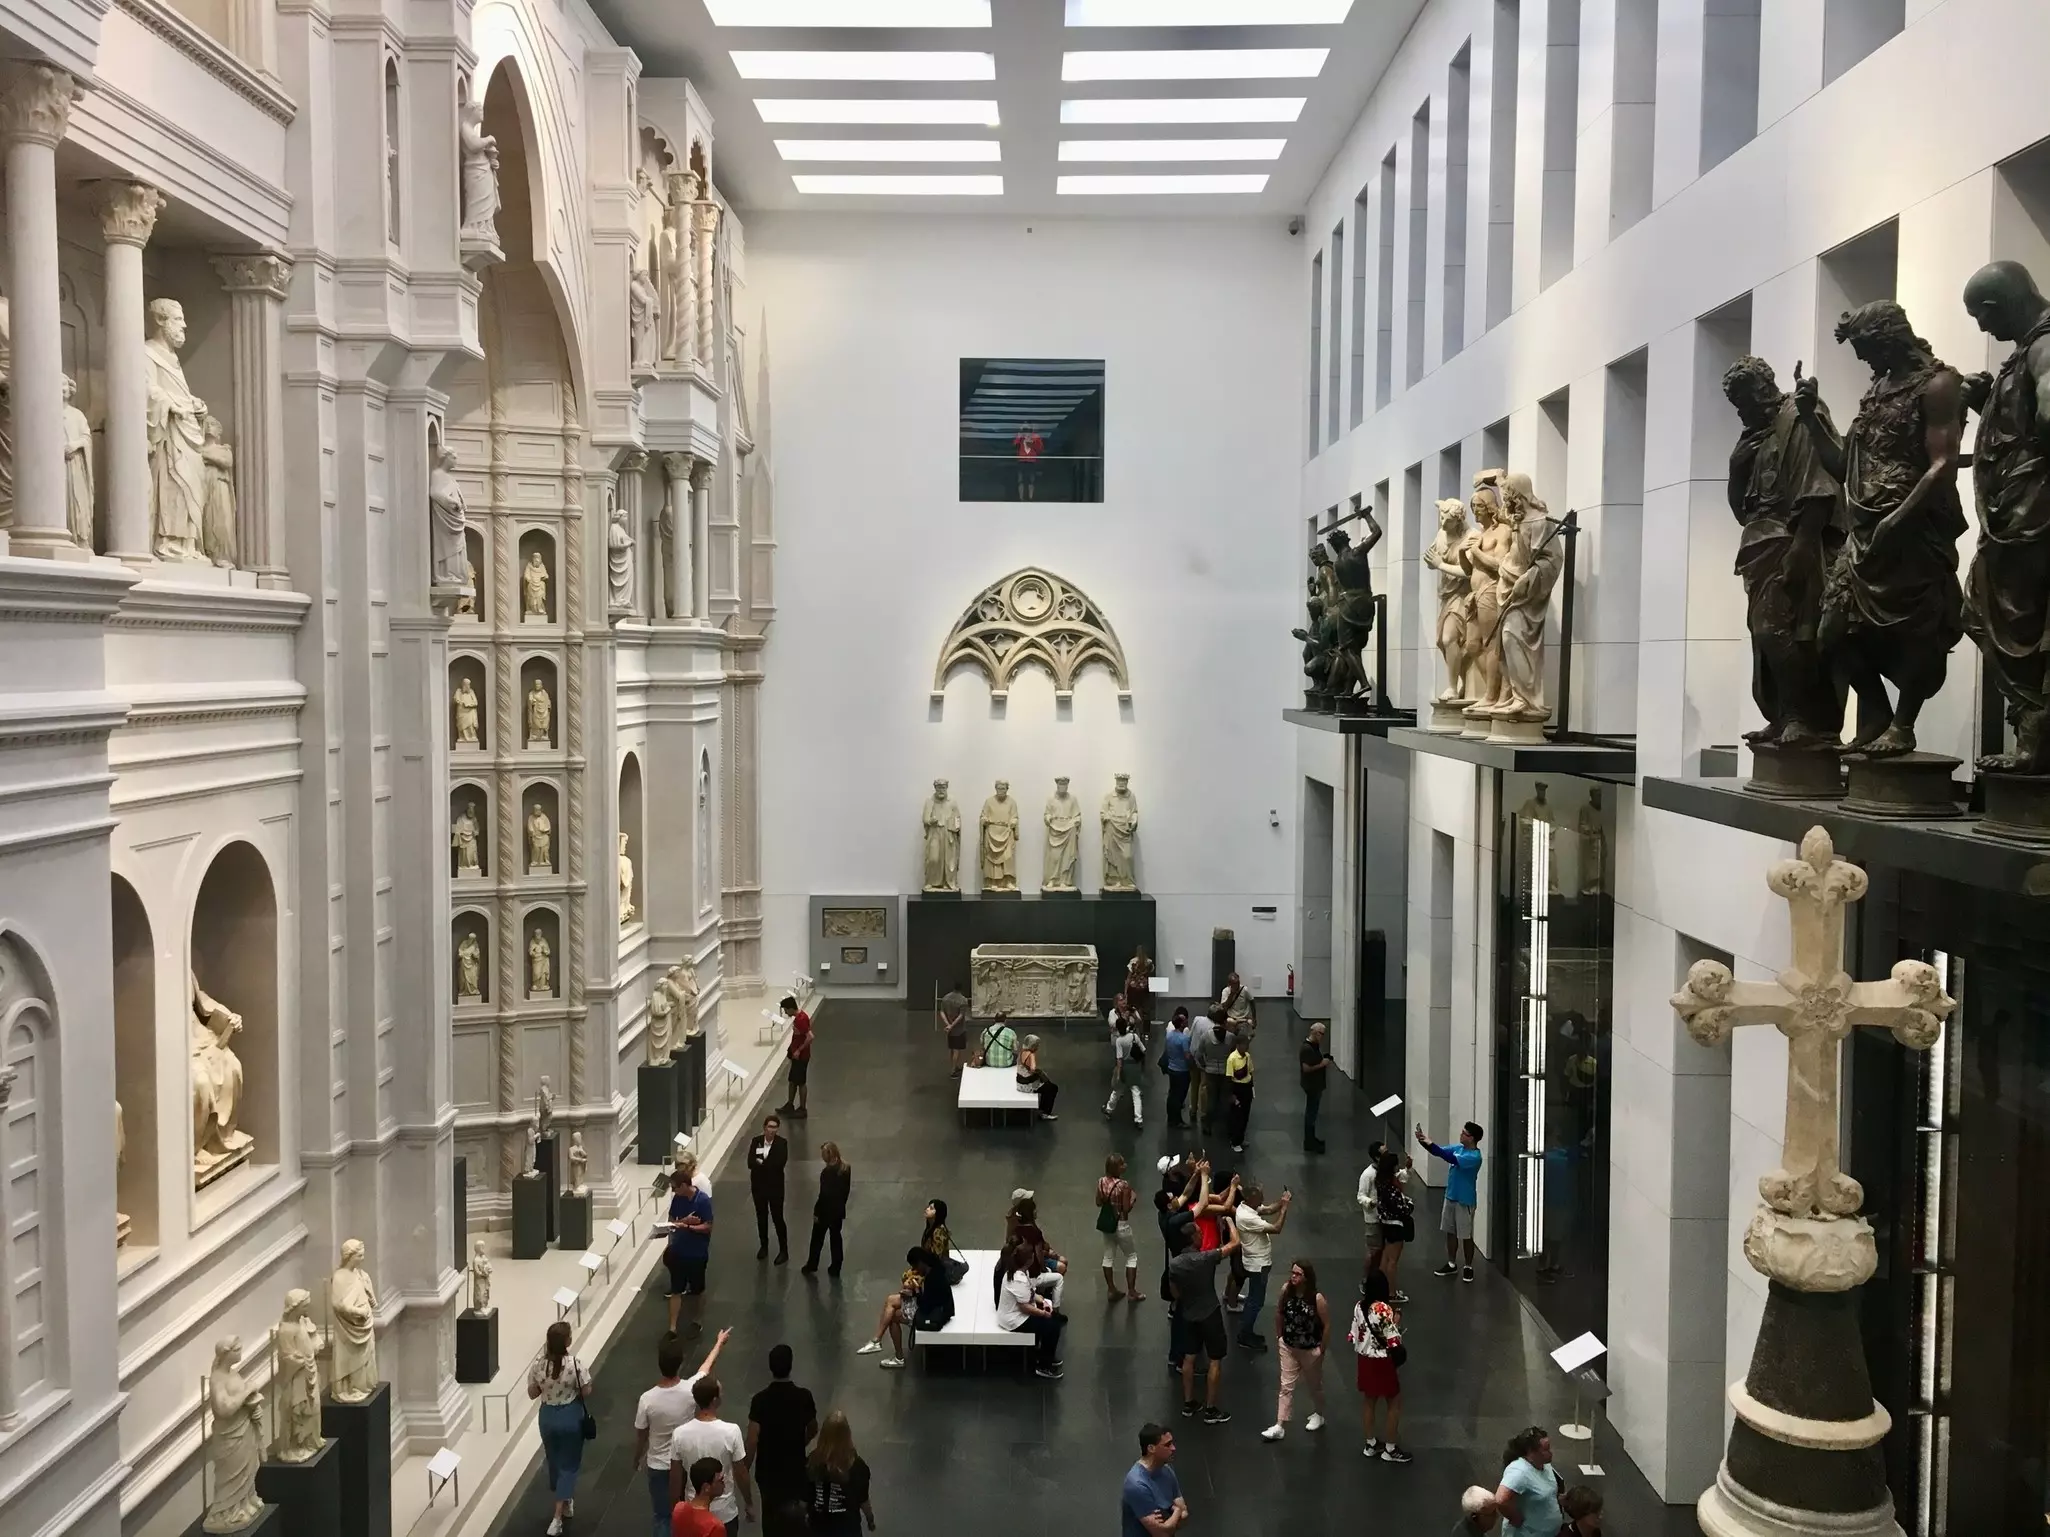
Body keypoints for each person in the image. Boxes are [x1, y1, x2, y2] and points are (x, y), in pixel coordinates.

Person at [635, 1327, 732, 1537]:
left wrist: (637, 1457)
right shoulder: (690, 1389)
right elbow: (706, 1367)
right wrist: (719, 1342)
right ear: (680, 1363)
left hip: (658, 1464)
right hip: (684, 1462)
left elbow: (641, 1434)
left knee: (662, 1516)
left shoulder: (647, 1400)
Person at [856, 1199, 952, 1364]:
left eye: (931, 1208)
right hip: (929, 1304)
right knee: (890, 1301)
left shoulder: (933, 1275)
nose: (927, 1209)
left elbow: (926, 1303)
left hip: (931, 1313)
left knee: (893, 1313)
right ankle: (877, 1341)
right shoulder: (932, 1268)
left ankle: (891, 1351)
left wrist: (915, 1291)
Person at [1168, 1214, 1238, 1423]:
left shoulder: (1175, 1264)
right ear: (1193, 1239)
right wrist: (1230, 1223)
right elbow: (1234, 1244)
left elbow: (1175, 1293)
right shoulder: (1206, 1258)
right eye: (1199, 1233)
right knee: (1215, 1359)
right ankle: (1211, 1409)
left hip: (1189, 1314)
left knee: (1189, 1358)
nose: (1202, 1235)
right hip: (1210, 1313)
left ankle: (1189, 1403)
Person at [527, 1320, 593, 1536]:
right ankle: (557, 1517)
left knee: (554, 1460)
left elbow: (532, 1393)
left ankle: (565, 1498)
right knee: (569, 1464)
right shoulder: (574, 1364)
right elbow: (587, 1390)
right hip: (570, 1416)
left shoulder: (538, 1365)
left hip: (547, 1418)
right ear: (567, 1341)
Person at [669, 1376, 754, 1535]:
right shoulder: (731, 1431)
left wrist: (675, 1507)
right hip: (725, 1511)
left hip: (693, 1510)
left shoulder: (679, 1434)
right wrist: (749, 1503)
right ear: (715, 1400)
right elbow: (741, 1472)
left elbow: (675, 1475)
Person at [1260, 1259, 1329, 1441]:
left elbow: (1326, 1324)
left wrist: (1321, 1349)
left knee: (1314, 1385)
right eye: (1293, 1273)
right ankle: (1279, 1425)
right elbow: (1279, 1312)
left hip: (1310, 1349)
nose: (1294, 1277)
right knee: (1286, 1385)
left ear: (1307, 1277)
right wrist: (1279, 1336)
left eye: (1298, 1274)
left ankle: (1319, 1413)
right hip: (1289, 1345)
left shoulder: (1317, 1299)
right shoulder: (1286, 1291)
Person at [746, 1344, 817, 1513]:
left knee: (770, 1513)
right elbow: (813, 1428)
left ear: (770, 1367)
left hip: (767, 1469)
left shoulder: (760, 1400)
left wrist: (745, 1467)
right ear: (791, 1365)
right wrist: (800, 1442)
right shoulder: (804, 1396)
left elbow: (752, 1439)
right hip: (795, 1465)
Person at [1348, 1270, 1409, 1463]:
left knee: (1369, 1400)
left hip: (1364, 1359)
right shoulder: (1383, 1309)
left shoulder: (1359, 1306)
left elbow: (1353, 1334)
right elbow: (1392, 1338)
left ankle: (1370, 1443)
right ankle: (1390, 1449)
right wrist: (1396, 1321)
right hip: (1381, 1360)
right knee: (1394, 1402)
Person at [1418, 1120, 1485, 1280]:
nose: (1461, 1134)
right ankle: (1451, 1263)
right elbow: (1438, 1151)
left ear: (1472, 1138)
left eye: (1464, 1133)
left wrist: (1429, 1142)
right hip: (1451, 1196)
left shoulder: (1474, 1157)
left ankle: (1468, 1266)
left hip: (1464, 1200)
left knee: (1466, 1235)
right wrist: (1423, 1141)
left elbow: (1448, 1157)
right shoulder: (1458, 1148)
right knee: (1450, 1231)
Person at [997, 1240, 1067, 1378]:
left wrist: (1041, 1300)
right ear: (1029, 1260)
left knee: (1053, 1321)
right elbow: (1024, 1307)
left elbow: (1029, 1291)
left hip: (1018, 1313)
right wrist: (1043, 1313)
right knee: (1052, 1327)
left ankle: (1044, 1355)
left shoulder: (1019, 1272)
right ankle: (1044, 1366)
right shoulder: (1018, 1279)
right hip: (1014, 1319)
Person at [1232, 1183, 1290, 1349]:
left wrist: (1282, 1201)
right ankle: (1245, 1335)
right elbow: (1276, 1228)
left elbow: (1269, 1209)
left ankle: (1246, 1331)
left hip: (1255, 1261)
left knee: (1254, 1298)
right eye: (1260, 1197)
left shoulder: (1246, 1207)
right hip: (1258, 1264)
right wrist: (1284, 1209)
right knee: (1255, 1301)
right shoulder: (1247, 1217)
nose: (1263, 1199)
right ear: (1251, 1198)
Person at [664, 1152, 714, 1336]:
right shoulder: (678, 1199)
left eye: (675, 1188)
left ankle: (697, 1320)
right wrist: (683, 1222)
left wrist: (689, 1227)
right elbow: (672, 1220)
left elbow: (708, 1226)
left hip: (696, 1252)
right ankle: (672, 1327)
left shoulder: (703, 1201)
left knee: (697, 1290)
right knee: (676, 1289)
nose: (673, 1191)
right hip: (679, 1250)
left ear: (684, 1186)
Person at [804, 1409, 875, 1535]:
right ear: (847, 1435)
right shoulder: (858, 1466)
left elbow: (805, 1497)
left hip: (818, 1530)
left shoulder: (812, 1462)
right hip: (848, 1531)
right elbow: (863, 1499)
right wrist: (870, 1519)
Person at [1120, 1423, 1187, 1537]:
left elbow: (1184, 1516)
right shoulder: (1137, 1485)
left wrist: (1170, 1523)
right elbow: (1161, 1534)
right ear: (1151, 1448)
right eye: (1167, 1445)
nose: (1173, 1448)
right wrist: (1176, 1511)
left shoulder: (1167, 1470)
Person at [1497, 1426, 1564, 1537]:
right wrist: (1515, 1518)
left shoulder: (1544, 1465)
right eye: (1546, 1450)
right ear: (1531, 1452)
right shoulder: (1519, 1471)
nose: (1551, 1453)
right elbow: (1501, 1500)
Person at [1097, 1153, 1143, 1301]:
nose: (1125, 1166)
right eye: (1122, 1164)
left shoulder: (1101, 1182)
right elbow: (1126, 1209)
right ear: (1116, 1168)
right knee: (1131, 1256)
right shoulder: (1124, 1185)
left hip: (1107, 1225)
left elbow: (1098, 1202)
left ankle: (1111, 1289)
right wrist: (1133, 1198)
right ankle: (1132, 1292)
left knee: (1108, 1256)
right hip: (1121, 1224)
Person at [801, 1141, 851, 1277]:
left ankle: (812, 1264)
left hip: (825, 1211)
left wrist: (817, 1211)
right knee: (836, 1238)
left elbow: (824, 1195)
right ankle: (836, 1265)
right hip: (838, 1211)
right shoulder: (846, 1168)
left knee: (817, 1238)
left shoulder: (826, 1173)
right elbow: (845, 1192)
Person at [748, 1113, 790, 1264]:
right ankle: (763, 1246)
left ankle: (784, 1250)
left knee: (778, 1218)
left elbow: (779, 1164)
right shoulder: (756, 1141)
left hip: (775, 1188)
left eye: (775, 1127)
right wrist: (765, 1165)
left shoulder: (782, 1143)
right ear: (764, 1127)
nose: (772, 1130)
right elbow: (750, 1162)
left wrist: (761, 1164)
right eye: (770, 1126)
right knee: (761, 1217)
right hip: (759, 1187)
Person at [1376, 1148, 1416, 1302]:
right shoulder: (1391, 1187)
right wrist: (1410, 1204)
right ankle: (1391, 1293)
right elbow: (1401, 1209)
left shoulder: (1381, 1182)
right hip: (1395, 1226)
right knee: (1393, 1261)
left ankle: (1381, 1289)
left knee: (1385, 1258)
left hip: (1385, 1224)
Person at [1104, 1003, 1145, 1125]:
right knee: (1136, 1092)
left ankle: (1109, 1109)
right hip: (1135, 1067)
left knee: (1117, 1091)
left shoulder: (1119, 1041)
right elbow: (1143, 1050)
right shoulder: (1134, 1037)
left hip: (1125, 1067)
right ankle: (1138, 1118)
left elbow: (1119, 1059)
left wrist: (1118, 1073)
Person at [1192, 1007, 1228, 1133]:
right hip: (1219, 1070)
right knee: (1212, 1092)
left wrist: (1203, 1064)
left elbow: (1197, 1051)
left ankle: (1195, 1111)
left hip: (1202, 1063)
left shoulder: (1198, 1022)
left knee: (1196, 1087)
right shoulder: (1228, 1037)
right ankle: (1207, 1115)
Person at [673, 1457, 729, 1537]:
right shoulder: (715, 1527)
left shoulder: (678, 1509)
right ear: (706, 1487)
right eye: (720, 1480)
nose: (723, 1483)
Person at [1299, 1021, 1333, 1152]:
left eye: (1323, 1034)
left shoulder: (1314, 1046)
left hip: (1316, 1084)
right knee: (1311, 1113)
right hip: (1312, 1085)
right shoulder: (1306, 1049)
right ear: (1312, 1031)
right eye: (1320, 1033)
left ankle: (1311, 1139)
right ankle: (1309, 1141)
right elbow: (1306, 1068)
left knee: (1313, 1113)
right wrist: (1322, 1064)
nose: (1321, 1037)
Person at [1356, 1140, 1388, 1275]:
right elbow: (1360, 1196)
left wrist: (1407, 1170)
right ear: (1377, 1157)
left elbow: (1399, 1178)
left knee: (1382, 1250)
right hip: (1373, 1219)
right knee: (1373, 1251)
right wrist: (1370, 1202)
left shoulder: (1386, 1170)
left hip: (1386, 1218)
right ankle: (1367, 1279)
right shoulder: (1367, 1174)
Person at [776, 997, 812, 1117]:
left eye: (786, 1010)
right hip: (796, 1055)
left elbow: (810, 1037)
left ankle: (802, 1109)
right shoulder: (798, 1018)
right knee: (792, 1081)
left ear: (791, 1008)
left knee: (801, 1082)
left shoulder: (801, 1019)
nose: (785, 1012)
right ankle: (790, 1104)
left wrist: (799, 1050)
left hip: (801, 1056)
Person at [1161, 1008, 1193, 1128]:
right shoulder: (1184, 1039)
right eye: (1184, 1021)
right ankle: (1178, 1120)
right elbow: (1187, 1056)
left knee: (1172, 1094)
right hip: (1182, 1070)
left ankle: (1171, 1118)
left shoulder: (1169, 1035)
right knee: (1180, 1096)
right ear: (1181, 1024)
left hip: (1172, 1068)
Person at [1016, 1033, 1059, 1121]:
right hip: (1027, 1086)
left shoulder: (1022, 1051)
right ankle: (1045, 1113)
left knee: (1047, 1087)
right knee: (1052, 1088)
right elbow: (1033, 1068)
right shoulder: (1031, 1055)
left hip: (1020, 1083)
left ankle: (1042, 1109)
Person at [1224, 1036, 1255, 1153]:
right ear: (1238, 1046)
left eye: (1247, 1045)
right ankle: (1235, 1141)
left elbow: (1250, 1072)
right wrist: (1232, 1095)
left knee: (1245, 1115)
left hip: (1247, 1088)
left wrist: (1252, 1088)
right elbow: (1228, 1078)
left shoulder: (1247, 1056)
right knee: (1237, 1117)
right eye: (1244, 1045)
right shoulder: (1232, 1058)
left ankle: (1241, 1138)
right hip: (1237, 1088)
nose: (1246, 1047)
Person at [938, 982, 970, 1077]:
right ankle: (953, 1070)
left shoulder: (946, 998)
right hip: (959, 1029)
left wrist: (948, 1024)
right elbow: (961, 1015)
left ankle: (954, 1066)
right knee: (957, 1050)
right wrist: (952, 1026)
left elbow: (942, 1012)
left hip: (950, 1030)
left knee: (952, 1049)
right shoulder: (963, 1000)